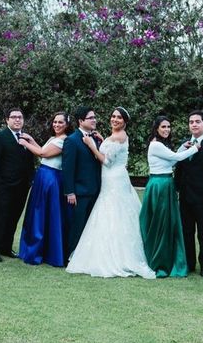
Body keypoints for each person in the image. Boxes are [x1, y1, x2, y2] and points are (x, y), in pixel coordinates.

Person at [66, 107, 155, 279]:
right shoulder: (110, 136)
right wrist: (100, 140)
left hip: (114, 179)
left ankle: (118, 256)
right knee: (107, 214)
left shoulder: (119, 136)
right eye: (113, 116)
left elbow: (106, 161)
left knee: (115, 214)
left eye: (119, 118)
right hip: (108, 180)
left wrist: (93, 146)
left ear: (125, 121)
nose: (115, 120)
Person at [139, 116, 199, 278]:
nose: (166, 129)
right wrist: (195, 148)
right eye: (163, 127)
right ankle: (159, 260)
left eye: (168, 127)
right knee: (160, 222)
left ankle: (167, 256)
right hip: (160, 185)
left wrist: (181, 147)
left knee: (167, 222)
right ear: (156, 128)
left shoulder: (161, 145)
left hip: (166, 183)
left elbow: (170, 161)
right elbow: (176, 158)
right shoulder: (156, 144)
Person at [17, 112, 73, 267]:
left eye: (60, 122)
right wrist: (31, 140)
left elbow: (43, 153)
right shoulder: (54, 138)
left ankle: (41, 250)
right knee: (37, 212)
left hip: (51, 178)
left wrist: (25, 143)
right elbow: (42, 149)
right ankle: (33, 247)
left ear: (67, 125)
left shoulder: (64, 140)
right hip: (42, 175)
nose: (56, 125)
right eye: (55, 122)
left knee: (44, 213)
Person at [174, 110, 203, 277]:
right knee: (186, 231)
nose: (194, 124)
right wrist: (176, 188)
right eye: (191, 122)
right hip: (185, 197)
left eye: (197, 121)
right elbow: (179, 168)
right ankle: (189, 263)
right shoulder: (185, 143)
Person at [0, 108, 34, 262]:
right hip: (3, 187)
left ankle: (6, 247)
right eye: (13, 117)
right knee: (1, 217)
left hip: (22, 186)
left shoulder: (26, 138)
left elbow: (29, 161)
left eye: (20, 117)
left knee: (14, 217)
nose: (17, 120)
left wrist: (30, 180)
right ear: (7, 120)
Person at [62, 106, 102, 262]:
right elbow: (68, 168)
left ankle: (86, 257)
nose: (94, 120)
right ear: (81, 121)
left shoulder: (96, 139)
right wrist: (70, 192)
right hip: (79, 192)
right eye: (90, 118)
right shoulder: (71, 140)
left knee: (90, 226)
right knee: (77, 226)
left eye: (94, 117)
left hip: (96, 190)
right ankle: (71, 256)